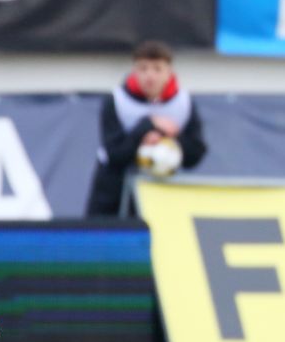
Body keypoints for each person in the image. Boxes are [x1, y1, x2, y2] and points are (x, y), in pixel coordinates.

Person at [86, 41, 207, 218]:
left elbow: (195, 155)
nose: (150, 76)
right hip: (112, 192)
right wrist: (147, 127)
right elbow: (114, 154)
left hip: (161, 192)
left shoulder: (183, 103)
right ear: (134, 71)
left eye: (157, 69)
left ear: (169, 72)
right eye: (143, 68)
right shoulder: (117, 100)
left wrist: (171, 138)